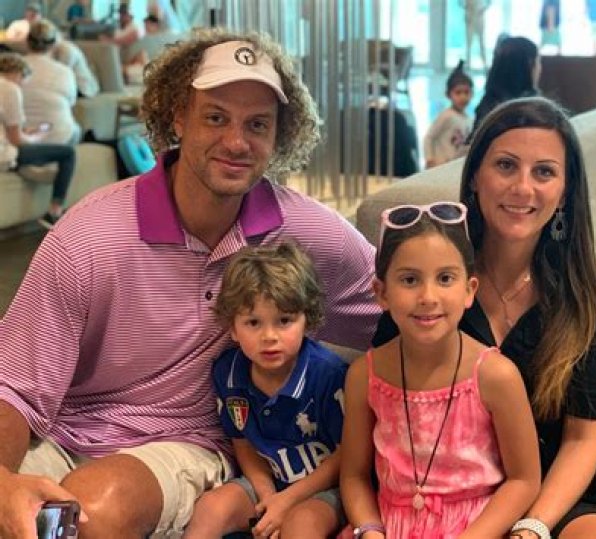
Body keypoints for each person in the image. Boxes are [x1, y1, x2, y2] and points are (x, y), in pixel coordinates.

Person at [0, 30, 379, 537]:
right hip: (61, 432)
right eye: (216, 117)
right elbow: (15, 386)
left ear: (279, 136)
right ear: (178, 115)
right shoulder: (89, 234)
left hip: (183, 443)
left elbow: (405, 308)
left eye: (257, 124)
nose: (237, 142)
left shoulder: (308, 232)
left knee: (89, 510)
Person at [376, 96, 596, 538]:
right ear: (475, 176)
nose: (523, 188)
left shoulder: (594, 286)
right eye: (506, 166)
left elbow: (586, 437)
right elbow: (386, 382)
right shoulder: (433, 280)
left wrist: (532, 527)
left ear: (565, 190)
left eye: (544, 172)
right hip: (492, 490)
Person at [341, 202, 541, 537]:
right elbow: (354, 475)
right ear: (381, 293)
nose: (428, 296)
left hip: (477, 530)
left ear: (469, 290)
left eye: (445, 278)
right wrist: (370, 529)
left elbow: (524, 480)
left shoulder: (496, 376)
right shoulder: (364, 375)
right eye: (409, 280)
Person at [184, 242, 348, 538]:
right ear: (232, 328)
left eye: (284, 321)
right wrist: (268, 497)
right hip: (267, 484)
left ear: (307, 320)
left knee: (302, 525)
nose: (269, 336)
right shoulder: (228, 373)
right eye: (253, 323)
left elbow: (347, 456)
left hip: (325, 489)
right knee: (211, 508)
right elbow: (243, 443)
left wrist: (287, 501)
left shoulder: (330, 375)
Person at [0, 52, 76, 230]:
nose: (21, 86)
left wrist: (24, 133)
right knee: (68, 153)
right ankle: (54, 212)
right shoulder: (10, 89)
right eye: (23, 82)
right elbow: (17, 140)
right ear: (19, 74)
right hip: (4, 154)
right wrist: (35, 137)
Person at [469, 36, 540, 138]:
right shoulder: (526, 109)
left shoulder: (488, 102)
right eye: (538, 62)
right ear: (528, 65)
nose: (540, 69)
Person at [23, 19, 81, 144]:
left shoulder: (10, 69)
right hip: (59, 138)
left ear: (26, 42)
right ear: (54, 44)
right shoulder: (65, 72)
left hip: (18, 138)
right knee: (76, 129)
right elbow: (71, 103)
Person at [423, 60, 474, 168]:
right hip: (440, 167)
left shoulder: (470, 119)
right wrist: (429, 159)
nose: (463, 97)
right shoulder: (446, 116)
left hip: (456, 168)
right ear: (448, 94)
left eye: (466, 92)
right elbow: (429, 137)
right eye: (458, 92)